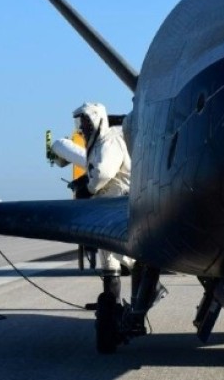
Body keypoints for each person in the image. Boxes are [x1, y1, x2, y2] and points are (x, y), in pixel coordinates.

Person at [67, 103, 134, 306]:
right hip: (107, 205)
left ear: (97, 119)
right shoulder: (97, 143)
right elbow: (95, 170)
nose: (83, 126)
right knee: (109, 258)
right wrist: (82, 181)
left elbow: (103, 173)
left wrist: (87, 189)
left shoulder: (110, 141)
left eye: (86, 120)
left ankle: (146, 292)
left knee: (125, 255)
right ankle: (110, 301)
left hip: (118, 203)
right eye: (81, 121)